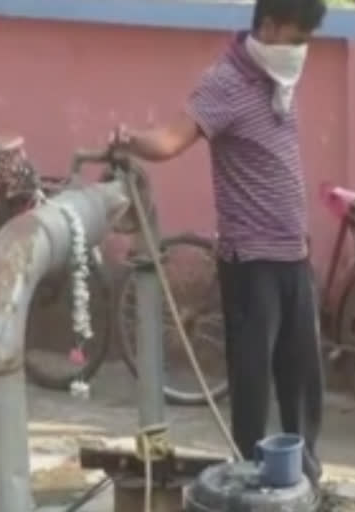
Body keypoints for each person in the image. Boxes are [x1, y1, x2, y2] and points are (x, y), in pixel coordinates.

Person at [109, 0, 327, 487]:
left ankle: (305, 476)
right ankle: (251, 478)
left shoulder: (278, 80)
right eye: (295, 39)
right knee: (253, 385)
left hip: (294, 256)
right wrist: (129, 140)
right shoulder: (225, 83)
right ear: (267, 26)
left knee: (302, 380)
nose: (300, 52)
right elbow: (171, 138)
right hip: (251, 262)